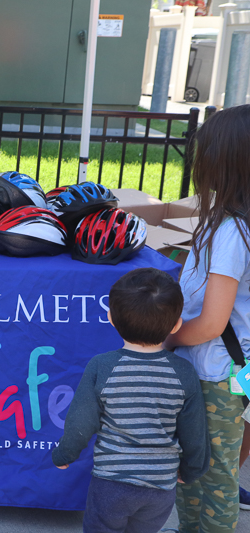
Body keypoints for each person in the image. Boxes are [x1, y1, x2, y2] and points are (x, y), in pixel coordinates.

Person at [52, 267, 210, 533]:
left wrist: (64, 454)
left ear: (111, 318)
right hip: (160, 488)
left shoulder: (102, 366)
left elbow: (81, 421)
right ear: (176, 325)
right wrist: (192, 470)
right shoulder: (183, 372)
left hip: (111, 484)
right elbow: (195, 431)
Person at [163, 104, 250, 532]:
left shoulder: (233, 232)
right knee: (205, 468)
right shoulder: (236, 226)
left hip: (216, 372)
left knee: (209, 475)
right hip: (232, 371)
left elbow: (213, 322)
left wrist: (168, 339)